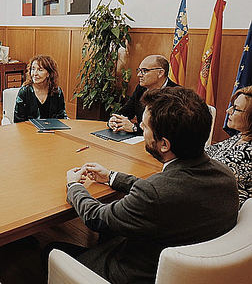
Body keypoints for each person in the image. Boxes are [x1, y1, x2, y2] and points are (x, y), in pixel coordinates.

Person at [63, 87, 238, 283]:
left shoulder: (155, 193)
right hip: (190, 268)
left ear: (164, 144)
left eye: (145, 127)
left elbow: (97, 217)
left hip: (136, 273)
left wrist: (74, 187)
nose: (142, 131)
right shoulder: (226, 176)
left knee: (51, 249)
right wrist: (112, 177)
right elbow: (164, 193)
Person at [205, 85, 252, 208]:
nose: (228, 111)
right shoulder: (241, 136)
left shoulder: (248, 151)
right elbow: (207, 152)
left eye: (236, 109)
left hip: (224, 210)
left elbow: (211, 177)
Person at [108, 55, 177, 135]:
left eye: (144, 71)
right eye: (139, 70)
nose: (139, 75)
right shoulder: (141, 88)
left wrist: (134, 128)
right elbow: (126, 111)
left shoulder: (175, 94)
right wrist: (114, 120)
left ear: (160, 73)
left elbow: (166, 130)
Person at [14, 55, 67, 123]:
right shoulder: (24, 91)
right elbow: (18, 121)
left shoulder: (57, 91)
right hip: (28, 131)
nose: (35, 73)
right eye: (33, 69)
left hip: (53, 131)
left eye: (40, 70)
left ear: (48, 73)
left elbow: (61, 117)